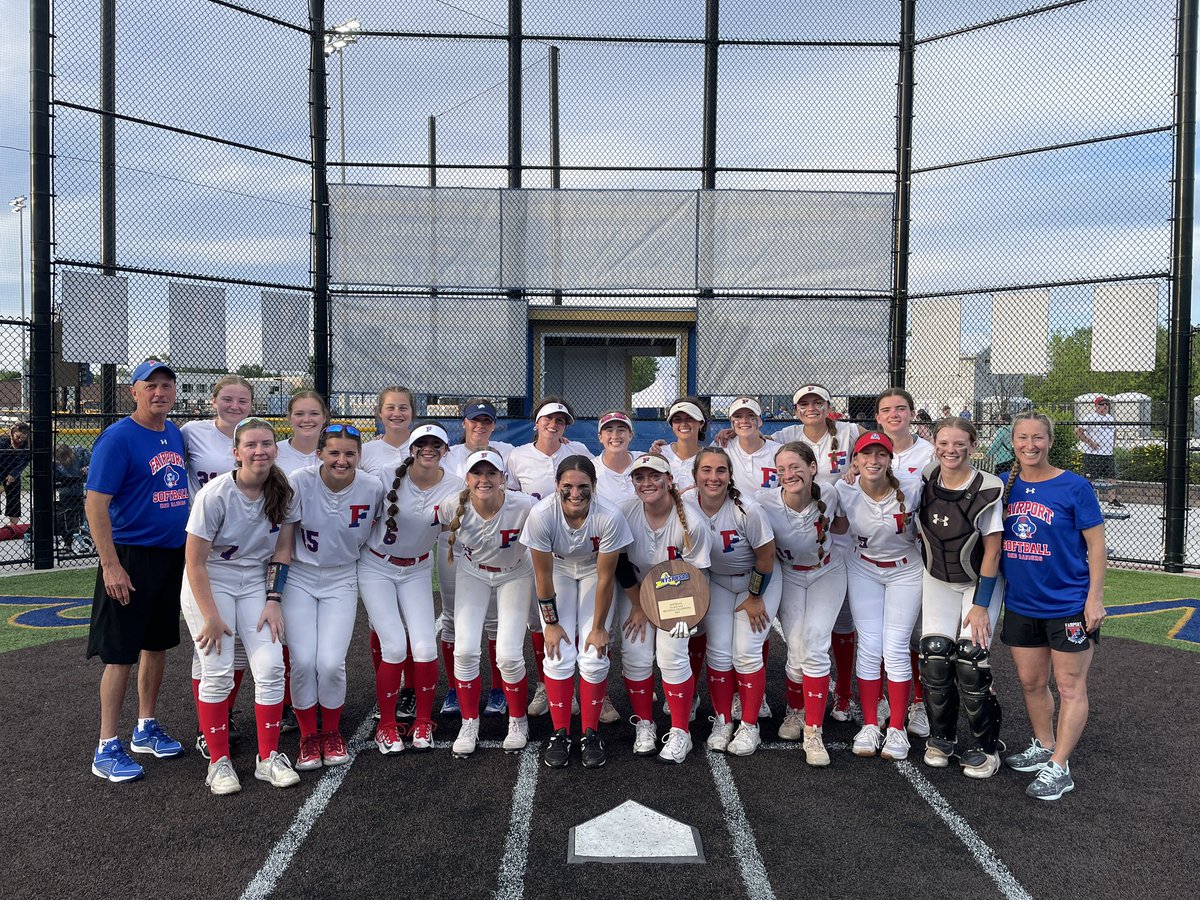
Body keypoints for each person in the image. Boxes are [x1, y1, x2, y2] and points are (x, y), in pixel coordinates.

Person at [181, 417, 299, 795]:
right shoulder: (214, 494)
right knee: (217, 668)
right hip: (211, 581)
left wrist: (273, 600)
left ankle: (268, 758)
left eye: (266, 443)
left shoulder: (283, 491)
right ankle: (219, 762)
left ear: (275, 449)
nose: (259, 450)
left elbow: (282, 551)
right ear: (236, 453)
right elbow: (195, 562)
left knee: (269, 664)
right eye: (251, 445)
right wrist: (211, 616)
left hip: (254, 582)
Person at [85, 360, 190, 783]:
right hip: (130, 556)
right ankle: (106, 745)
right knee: (120, 652)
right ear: (134, 391)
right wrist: (110, 564)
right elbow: (95, 504)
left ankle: (145, 726)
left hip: (170, 555)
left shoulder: (174, 433)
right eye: (151, 386)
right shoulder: (118, 437)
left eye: (167, 385)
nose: (160, 392)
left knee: (157, 644)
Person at [1000, 412, 1106, 801]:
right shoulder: (1003, 487)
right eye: (1023, 438)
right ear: (1013, 442)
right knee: (1031, 682)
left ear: (1049, 440)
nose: (1030, 445)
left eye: (1038, 438)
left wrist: (1094, 597)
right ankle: (1043, 745)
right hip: (1022, 603)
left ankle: (1060, 766)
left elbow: (1096, 545)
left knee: (1069, 685)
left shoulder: (1074, 486)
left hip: (1068, 604)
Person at [283, 423, 383, 772]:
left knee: (330, 662)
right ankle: (309, 735)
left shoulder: (372, 486)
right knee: (303, 661)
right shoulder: (299, 481)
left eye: (350, 453)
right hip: (300, 576)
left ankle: (332, 732)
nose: (342, 460)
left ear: (360, 455)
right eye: (334, 452)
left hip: (342, 577)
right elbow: (284, 538)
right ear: (320, 453)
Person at [521, 456, 631, 767]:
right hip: (557, 569)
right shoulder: (542, 514)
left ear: (594, 487)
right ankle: (559, 732)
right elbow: (542, 576)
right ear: (556, 485)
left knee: (595, 653)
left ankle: (590, 732)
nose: (575, 492)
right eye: (567, 485)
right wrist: (551, 624)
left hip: (594, 570)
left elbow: (607, 576)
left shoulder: (608, 515)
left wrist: (598, 627)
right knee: (557, 652)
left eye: (583, 486)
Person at [358, 423, 460, 754]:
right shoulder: (385, 477)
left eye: (436, 444)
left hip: (417, 569)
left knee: (426, 650)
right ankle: (387, 724)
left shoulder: (455, 485)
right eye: (422, 444)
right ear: (412, 448)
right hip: (376, 566)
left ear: (446, 450)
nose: (428, 449)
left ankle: (422, 723)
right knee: (395, 647)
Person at [914, 418, 1006, 778]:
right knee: (935, 654)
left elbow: (993, 552)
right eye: (943, 443)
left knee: (971, 659)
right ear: (934, 443)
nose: (950, 450)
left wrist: (981, 604)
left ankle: (987, 748)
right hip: (937, 576)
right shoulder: (925, 476)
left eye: (959, 444)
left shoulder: (988, 487)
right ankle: (941, 739)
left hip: (978, 583)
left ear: (972, 444)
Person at [771, 385, 861, 722]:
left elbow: (878, 443)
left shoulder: (850, 431)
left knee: (838, 624)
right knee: (799, 643)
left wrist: (858, 466)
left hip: (834, 543)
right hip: (796, 545)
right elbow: (749, 440)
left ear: (828, 405)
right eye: (804, 404)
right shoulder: (787, 435)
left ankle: (842, 696)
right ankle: (798, 709)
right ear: (796, 410)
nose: (811, 408)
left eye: (817, 402)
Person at [615, 452, 711, 764]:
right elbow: (619, 563)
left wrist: (686, 615)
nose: (647, 483)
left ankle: (681, 731)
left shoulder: (692, 522)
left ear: (669, 480)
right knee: (634, 654)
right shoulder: (626, 512)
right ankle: (645, 723)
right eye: (639, 477)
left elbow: (697, 578)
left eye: (655, 476)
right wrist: (638, 605)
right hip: (637, 590)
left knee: (672, 655)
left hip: (679, 595)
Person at [440, 448, 536, 758]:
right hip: (474, 573)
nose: (484, 479)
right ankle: (470, 721)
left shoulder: (524, 506)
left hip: (516, 573)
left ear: (503, 478)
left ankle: (518, 720)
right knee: (465, 649)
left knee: (508, 654)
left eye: (491, 473)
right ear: (466, 479)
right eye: (477, 474)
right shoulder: (451, 506)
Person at [835, 431, 924, 761]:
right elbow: (836, 526)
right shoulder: (844, 489)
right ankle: (872, 723)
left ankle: (897, 728)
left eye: (881, 454)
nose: (873, 460)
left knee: (896, 646)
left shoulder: (913, 487)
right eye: (866, 454)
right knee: (870, 645)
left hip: (905, 569)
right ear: (855, 460)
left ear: (890, 459)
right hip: (864, 568)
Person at [758, 442, 849, 766]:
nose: (788, 474)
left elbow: (843, 523)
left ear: (813, 468)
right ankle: (795, 712)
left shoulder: (831, 493)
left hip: (827, 572)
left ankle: (814, 730)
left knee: (814, 643)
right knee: (796, 648)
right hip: (791, 575)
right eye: (781, 469)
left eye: (795, 466)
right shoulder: (765, 502)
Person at [687, 447, 781, 758]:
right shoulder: (685, 504)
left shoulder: (747, 509)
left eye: (720, 471)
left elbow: (766, 557)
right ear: (695, 475)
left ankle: (750, 725)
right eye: (706, 470)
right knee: (718, 653)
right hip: (716, 581)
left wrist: (755, 597)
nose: (713, 477)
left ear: (730, 476)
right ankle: (723, 720)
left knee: (747, 652)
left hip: (757, 579)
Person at [180, 375, 256, 752]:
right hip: (206, 549)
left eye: (243, 401)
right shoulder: (192, 432)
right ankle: (206, 727)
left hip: (248, 555)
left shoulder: (256, 439)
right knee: (210, 644)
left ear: (252, 406)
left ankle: (223, 712)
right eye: (228, 399)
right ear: (213, 401)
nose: (235, 406)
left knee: (239, 646)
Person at [505, 397, 590, 716]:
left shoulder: (578, 450)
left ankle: (581, 687)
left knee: (575, 620)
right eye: (548, 419)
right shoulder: (518, 456)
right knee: (539, 623)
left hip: (573, 551)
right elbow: (511, 497)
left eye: (561, 421)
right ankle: (546, 684)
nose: (554, 425)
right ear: (536, 423)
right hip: (534, 550)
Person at [440, 399, 514, 718]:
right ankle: (456, 689)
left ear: (494, 425)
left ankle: (497, 689)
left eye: (486, 420)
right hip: (453, 543)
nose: (480, 426)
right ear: (464, 422)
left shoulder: (508, 451)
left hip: (492, 544)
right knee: (451, 618)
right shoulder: (448, 454)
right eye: (475, 420)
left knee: (495, 620)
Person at [359, 386, 419, 721]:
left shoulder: (426, 447)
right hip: (375, 549)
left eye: (403, 408)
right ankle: (388, 686)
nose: (397, 413)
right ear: (379, 412)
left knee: (411, 624)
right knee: (381, 623)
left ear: (413, 412)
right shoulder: (366, 452)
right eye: (390, 408)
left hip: (415, 553)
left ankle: (409, 691)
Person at [724, 398, 779, 499]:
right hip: (732, 513)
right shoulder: (722, 446)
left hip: (769, 513)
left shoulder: (778, 451)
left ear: (760, 420)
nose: (744, 421)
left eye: (751, 416)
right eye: (738, 417)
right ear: (731, 422)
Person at [1075, 395, 1122, 509]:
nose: (1105, 406)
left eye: (1106, 404)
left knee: (1111, 477)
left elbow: (1114, 432)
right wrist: (1090, 442)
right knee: (1089, 478)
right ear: (1096, 406)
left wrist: (1113, 443)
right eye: (1101, 404)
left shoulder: (1110, 418)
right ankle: (1086, 500)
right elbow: (1078, 431)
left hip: (1108, 454)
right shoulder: (1090, 418)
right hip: (1093, 454)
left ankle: (1112, 500)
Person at [657, 397, 709, 493]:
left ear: (701, 423)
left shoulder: (709, 458)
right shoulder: (660, 454)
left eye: (690, 418)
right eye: (677, 420)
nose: (683, 424)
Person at [275, 390, 328, 475]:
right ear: (289, 418)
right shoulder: (275, 452)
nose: (307, 420)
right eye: (299, 414)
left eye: (314, 413)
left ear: (324, 417)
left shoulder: (337, 453)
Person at [592, 409, 638, 504]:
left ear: (630, 435)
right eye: (609, 430)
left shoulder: (643, 460)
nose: (615, 436)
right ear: (600, 437)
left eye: (621, 430)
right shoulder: (591, 469)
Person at [54, 443, 90, 552]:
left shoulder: (80, 453)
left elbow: (96, 461)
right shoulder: (55, 461)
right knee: (66, 516)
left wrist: (88, 467)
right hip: (66, 489)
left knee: (82, 516)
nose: (64, 462)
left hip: (81, 488)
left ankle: (84, 539)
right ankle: (67, 543)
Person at [1, 421, 31, 527]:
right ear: (12, 432)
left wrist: (14, 474)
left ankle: (12, 526)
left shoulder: (26, 446)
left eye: (23, 438)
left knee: (14, 496)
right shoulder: (3, 442)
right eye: (18, 436)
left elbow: (24, 462)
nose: (20, 440)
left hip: (13, 471)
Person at [986, 414, 1014, 480]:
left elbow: (996, 444)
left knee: (999, 478)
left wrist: (988, 454)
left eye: (1000, 419)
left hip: (1002, 457)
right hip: (1011, 456)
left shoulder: (1002, 430)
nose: (998, 421)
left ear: (1003, 420)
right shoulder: (1012, 429)